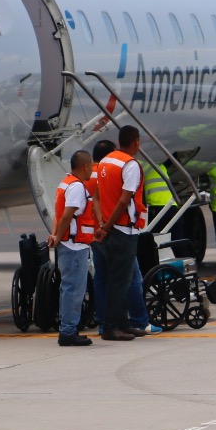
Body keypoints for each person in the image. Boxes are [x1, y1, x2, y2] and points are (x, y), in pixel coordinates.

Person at [96, 125, 147, 341]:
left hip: (109, 229)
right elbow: (125, 200)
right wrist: (107, 226)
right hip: (123, 229)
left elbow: (97, 195)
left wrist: (102, 225)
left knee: (114, 279)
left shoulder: (106, 161)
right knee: (120, 282)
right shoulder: (130, 165)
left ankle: (123, 324)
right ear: (136, 141)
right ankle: (111, 327)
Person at [47, 150, 97, 347]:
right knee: (74, 290)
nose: (92, 170)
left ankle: (68, 329)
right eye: (91, 166)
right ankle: (68, 331)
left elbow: (58, 215)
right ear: (84, 167)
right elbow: (67, 216)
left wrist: (55, 236)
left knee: (69, 288)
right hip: (74, 246)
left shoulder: (65, 183)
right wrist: (58, 237)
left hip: (68, 245)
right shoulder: (77, 187)